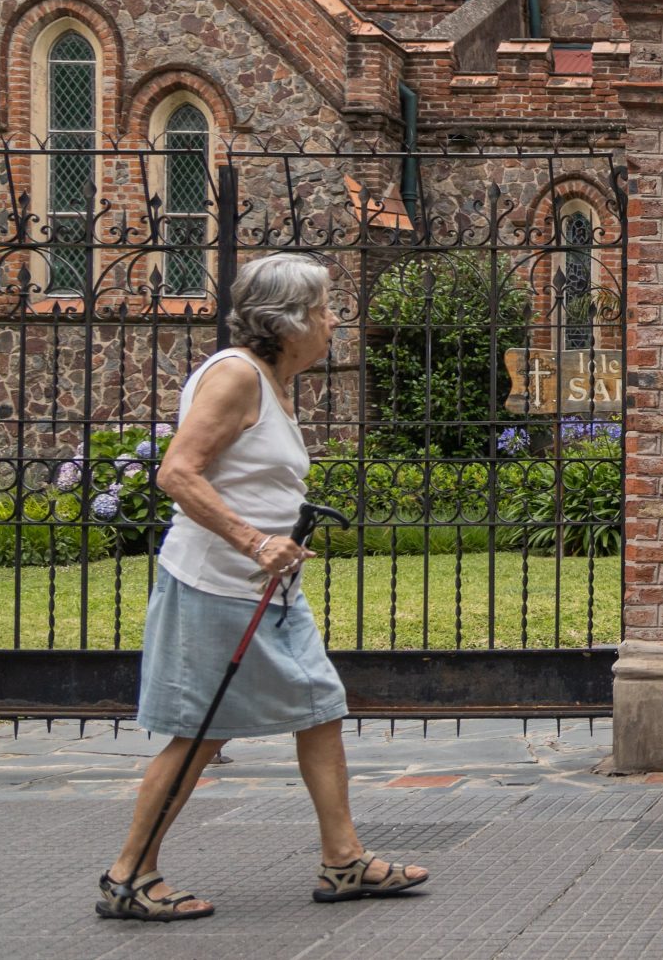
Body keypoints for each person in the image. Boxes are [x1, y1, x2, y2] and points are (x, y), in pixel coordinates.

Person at [97, 252, 429, 921]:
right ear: (291, 319)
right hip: (215, 587)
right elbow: (178, 474)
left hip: (267, 591)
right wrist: (254, 540)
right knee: (200, 732)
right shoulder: (235, 377)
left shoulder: (273, 381)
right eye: (326, 308)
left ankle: (344, 862)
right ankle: (129, 876)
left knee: (319, 704)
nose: (335, 320)